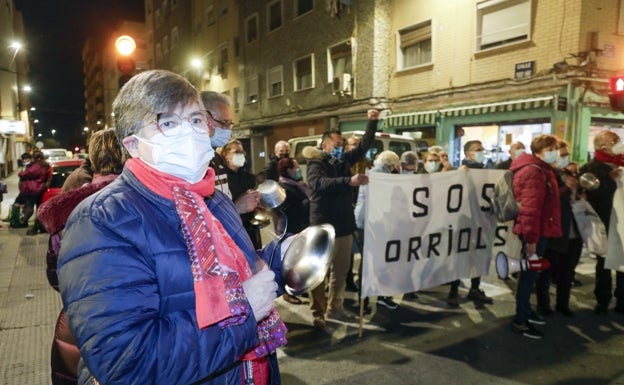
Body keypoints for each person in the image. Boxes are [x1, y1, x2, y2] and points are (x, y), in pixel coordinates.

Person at [56, 70, 288, 384]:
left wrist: (279, 261)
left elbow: (235, 270)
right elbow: (128, 364)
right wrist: (242, 313)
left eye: (195, 120)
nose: (190, 133)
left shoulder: (213, 200)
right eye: (168, 123)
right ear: (134, 145)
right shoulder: (102, 221)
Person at [38, 129, 124, 385]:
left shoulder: (68, 207)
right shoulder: (140, 201)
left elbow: (55, 276)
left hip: (76, 322)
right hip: (126, 327)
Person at [302, 110, 378, 329]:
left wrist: (372, 122)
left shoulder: (342, 159)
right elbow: (320, 184)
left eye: (342, 143)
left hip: (344, 227)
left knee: (341, 271)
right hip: (323, 228)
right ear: (325, 145)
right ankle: (318, 312)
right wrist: (349, 181)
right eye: (336, 143)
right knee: (318, 274)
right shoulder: (315, 164)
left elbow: (363, 146)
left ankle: (336, 307)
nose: (340, 146)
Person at [510, 134, 562, 339]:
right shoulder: (534, 172)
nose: (556, 152)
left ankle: (526, 311)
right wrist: (531, 241)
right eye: (552, 148)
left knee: (531, 276)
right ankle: (520, 321)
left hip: (540, 230)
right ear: (540, 151)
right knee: (528, 277)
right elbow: (530, 210)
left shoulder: (541, 170)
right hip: (535, 233)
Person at [580, 130, 624, 315]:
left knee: (622, 262)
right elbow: (588, 195)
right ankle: (602, 299)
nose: (617, 143)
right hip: (603, 222)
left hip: (621, 222)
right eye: (613, 140)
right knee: (604, 261)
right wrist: (609, 179)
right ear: (601, 146)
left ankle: (622, 299)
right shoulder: (590, 168)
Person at [535, 140, 581, 317]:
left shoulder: (569, 173)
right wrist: (565, 189)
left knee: (567, 272)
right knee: (546, 272)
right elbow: (547, 199)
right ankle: (544, 305)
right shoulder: (546, 174)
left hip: (572, 230)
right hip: (554, 231)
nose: (564, 158)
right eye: (561, 154)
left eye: (565, 154)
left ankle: (563, 304)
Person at [447, 140, 493, 307]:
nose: (481, 152)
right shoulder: (459, 171)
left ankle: (475, 288)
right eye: (477, 150)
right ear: (468, 154)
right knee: (459, 255)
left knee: (479, 254)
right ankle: (453, 291)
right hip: (463, 221)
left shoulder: (487, 172)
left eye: (482, 149)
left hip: (482, 220)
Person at [354, 150, 401, 311]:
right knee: (374, 263)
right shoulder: (381, 177)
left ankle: (365, 300)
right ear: (392, 165)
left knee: (369, 262)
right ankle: (369, 299)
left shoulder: (371, 173)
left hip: (364, 223)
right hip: (373, 225)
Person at [276, 157, 310, 305]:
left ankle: (298, 288)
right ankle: (287, 293)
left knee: (299, 262)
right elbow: (284, 209)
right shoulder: (283, 187)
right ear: (288, 170)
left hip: (300, 227)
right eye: (295, 168)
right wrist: (305, 203)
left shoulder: (298, 184)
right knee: (289, 264)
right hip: (289, 229)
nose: (298, 171)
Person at [222, 139, 264, 249]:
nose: (241, 155)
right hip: (231, 229)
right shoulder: (221, 179)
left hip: (250, 230)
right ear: (226, 155)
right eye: (237, 152)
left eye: (242, 153)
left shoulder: (250, 178)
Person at [201, 91, 235, 196]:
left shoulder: (216, 158)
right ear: (203, 119)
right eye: (224, 123)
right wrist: (238, 207)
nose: (228, 129)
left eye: (230, 124)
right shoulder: (193, 161)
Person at [17, 151, 51, 230]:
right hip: (39, 188)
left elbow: (26, 173)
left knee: (29, 206)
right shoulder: (45, 165)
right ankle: (39, 223)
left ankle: (23, 221)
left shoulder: (37, 166)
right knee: (38, 206)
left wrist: (20, 173)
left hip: (32, 189)